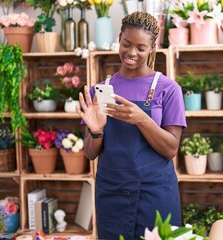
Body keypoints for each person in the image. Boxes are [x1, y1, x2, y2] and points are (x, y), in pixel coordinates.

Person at [76, 11, 187, 240]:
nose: (131, 53)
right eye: (126, 44)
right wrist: (96, 131)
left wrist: (142, 119)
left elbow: (171, 149)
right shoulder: (100, 91)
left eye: (141, 48)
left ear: (152, 47)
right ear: (119, 38)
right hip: (112, 194)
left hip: (156, 192)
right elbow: (90, 153)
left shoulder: (168, 88)